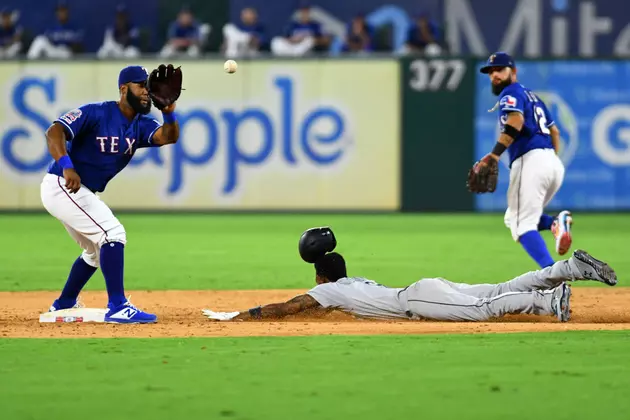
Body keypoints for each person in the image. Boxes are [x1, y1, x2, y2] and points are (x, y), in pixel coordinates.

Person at [203, 227, 617, 323]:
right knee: (499, 287)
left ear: (322, 279)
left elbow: (291, 307)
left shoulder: (332, 293)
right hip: (421, 289)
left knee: (485, 308)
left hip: (416, 301)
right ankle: (568, 268)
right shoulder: (353, 283)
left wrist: (244, 315)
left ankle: (549, 300)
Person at [41, 64, 183, 324]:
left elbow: (168, 136)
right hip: (62, 184)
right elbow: (54, 132)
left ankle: (63, 304)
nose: (147, 92)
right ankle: (117, 305)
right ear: (123, 88)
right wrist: (67, 166)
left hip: (81, 190)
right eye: (141, 85)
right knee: (113, 233)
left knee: (95, 252)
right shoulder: (96, 113)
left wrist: (169, 112)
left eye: (148, 87)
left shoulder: (139, 124)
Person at [468, 52, 572, 269]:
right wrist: (550, 158)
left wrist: (495, 154)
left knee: (522, 226)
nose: (494, 75)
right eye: (490, 71)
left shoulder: (510, 93)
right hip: (552, 164)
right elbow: (555, 131)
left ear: (513, 72)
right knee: (512, 217)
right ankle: (555, 223)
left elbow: (515, 121)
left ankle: (553, 278)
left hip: (531, 162)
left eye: (500, 70)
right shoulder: (533, 96)